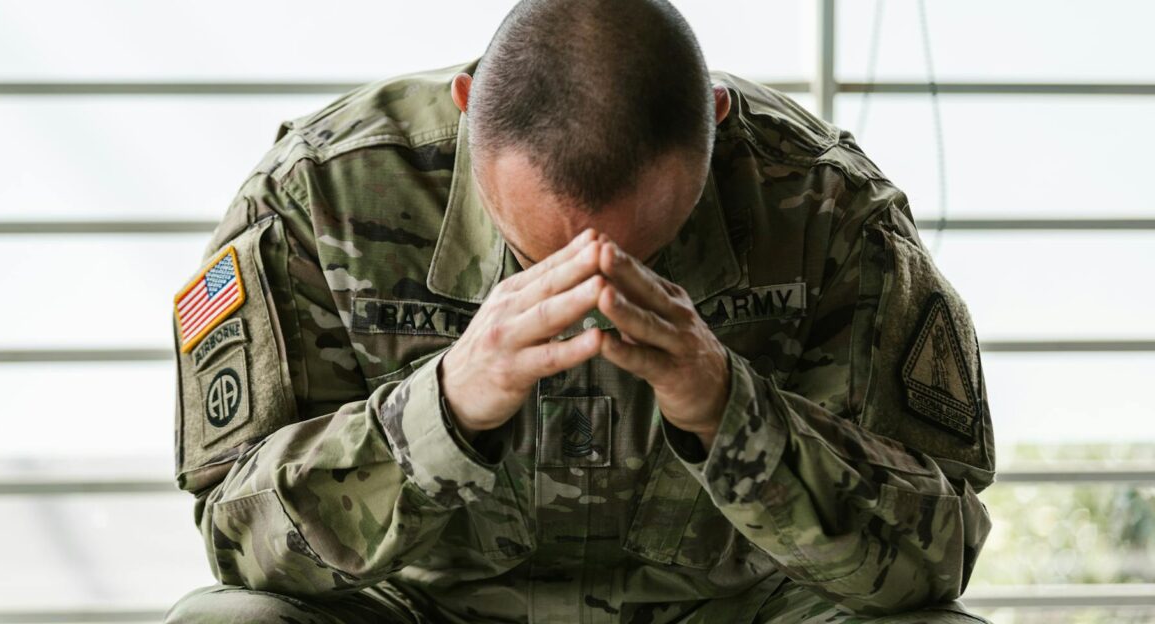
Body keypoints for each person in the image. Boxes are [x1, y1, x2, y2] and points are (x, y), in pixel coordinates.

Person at [165, 1, 995, 622]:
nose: (586, 285)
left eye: (641, 251)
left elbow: (937, 551)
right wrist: (443, 407)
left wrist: (730, 412)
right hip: (426, 611)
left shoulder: (827, 208)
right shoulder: (319, 196)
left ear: (716, 124)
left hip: (729, 611)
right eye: (533, 249)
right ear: (467, 107)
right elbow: (240, 537)